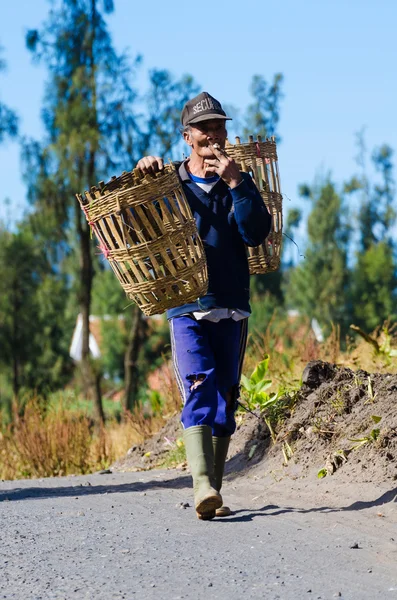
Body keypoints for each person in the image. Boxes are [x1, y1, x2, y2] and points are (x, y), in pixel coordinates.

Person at [136, 91, 272, 520]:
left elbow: (255, 233)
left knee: (226, 396)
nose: (212, 136)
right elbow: (140, 222)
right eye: (204, 129)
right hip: (186, 306)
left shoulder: (241, 182)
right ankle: (200, 485)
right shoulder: (170, 183)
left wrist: (236, 183)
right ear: (187, 136)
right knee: (200, 385)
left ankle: (213, 488)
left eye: (219, 127)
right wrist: (144, 173)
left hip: (231, 305)